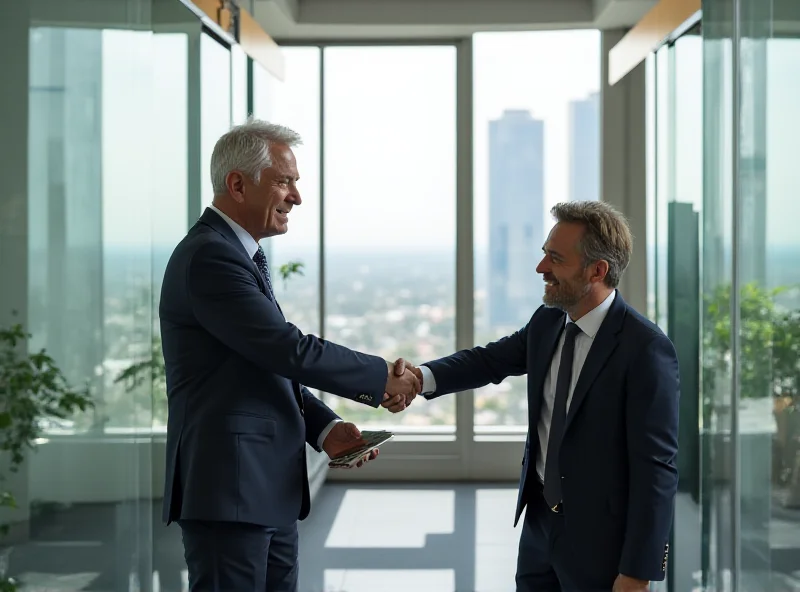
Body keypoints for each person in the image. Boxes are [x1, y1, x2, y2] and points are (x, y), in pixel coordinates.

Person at [159, 118, 420, 592]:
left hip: (264, 490)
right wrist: (382, 376)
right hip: (230, 491)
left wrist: (323, 428)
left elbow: (265, 363)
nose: (296, 197)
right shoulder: (210, 258)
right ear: (238, 184)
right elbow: (287, 348)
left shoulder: (239, 255)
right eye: (284, 181)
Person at [388, 201, 680, 592]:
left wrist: (638, 571)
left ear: (597, 270)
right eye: (545, 253)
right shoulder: (548, 322)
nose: (541, 267)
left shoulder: (645, 349)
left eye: (555, 258)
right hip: (540, 524)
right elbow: (488, 361)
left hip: (602, 545)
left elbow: (656, 470)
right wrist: (419, 378)